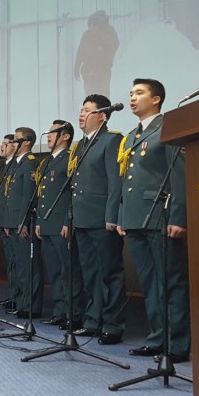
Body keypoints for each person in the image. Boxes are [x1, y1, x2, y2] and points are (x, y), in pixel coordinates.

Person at [117, 78, 190, 363]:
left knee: (171, 282)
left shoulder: (168, 127)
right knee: (149, 283)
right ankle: (158, 338)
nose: (132, 98)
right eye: (131, 93)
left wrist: (179, 217)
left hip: (162, 216)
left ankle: (177, 343)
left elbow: (179, 175)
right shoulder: (132, 135)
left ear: (156, 99)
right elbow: (127, 182)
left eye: (139, 93)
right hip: (137, 217)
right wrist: (123, 216)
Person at [70, 94, 126, 344]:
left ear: (102, 116)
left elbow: (115, 182)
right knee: (91, 274)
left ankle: (113, 326)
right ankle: (93, 321)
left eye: (87, 111)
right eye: (81, 110)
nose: (81, 114)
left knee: (110, 274)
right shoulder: (81, 145)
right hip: (82, 219)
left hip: (103, 219)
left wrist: (112, 216)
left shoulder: (111, 140)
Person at [35, 120, 86, 328]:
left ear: (65, 136)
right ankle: (59, 311)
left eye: (53, 132)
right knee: (55, 271)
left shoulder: (70, 159)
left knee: (69, 270)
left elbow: (73, 193)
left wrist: (68, 220)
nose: (48, 135)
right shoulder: (47, 161)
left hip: (61, 224)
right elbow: (43, 195)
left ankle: (73, 313)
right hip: (47, 223)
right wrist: (39, 221)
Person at [4, 127, 43, 318]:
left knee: (29, 267)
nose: (13, 142)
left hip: (23, 222)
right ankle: (21, 302)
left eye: (16, 139)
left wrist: (24, 222)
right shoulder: (17, 164)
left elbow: (29, 196)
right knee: (19, 265)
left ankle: (30, 307)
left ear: (27, 142)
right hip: (15, 222)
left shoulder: (30, 163)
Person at [0, 134, 18, 310]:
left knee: (18, 263)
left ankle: (19, 299)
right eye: (2, 143)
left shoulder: (17, 167)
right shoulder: (4, 168)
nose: (2, 146)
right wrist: (0, 220)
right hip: (5, 222)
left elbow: (14, 199)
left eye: (6, 144)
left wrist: (8, 222)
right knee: (11, 261)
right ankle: (14, 296)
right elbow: (1, 199)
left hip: (13, 223)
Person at [73, 10, 119, 98]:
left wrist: (105, 52)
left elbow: (115, 44)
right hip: (89, 72)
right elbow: (80, 52)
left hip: (103, 71)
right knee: (91, 97)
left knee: (103, 95)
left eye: (93, 25)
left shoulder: (108, 33)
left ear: (99, 25)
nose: (91, 27)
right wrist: (77, 66)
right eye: (89, 25)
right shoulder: (86, 35)